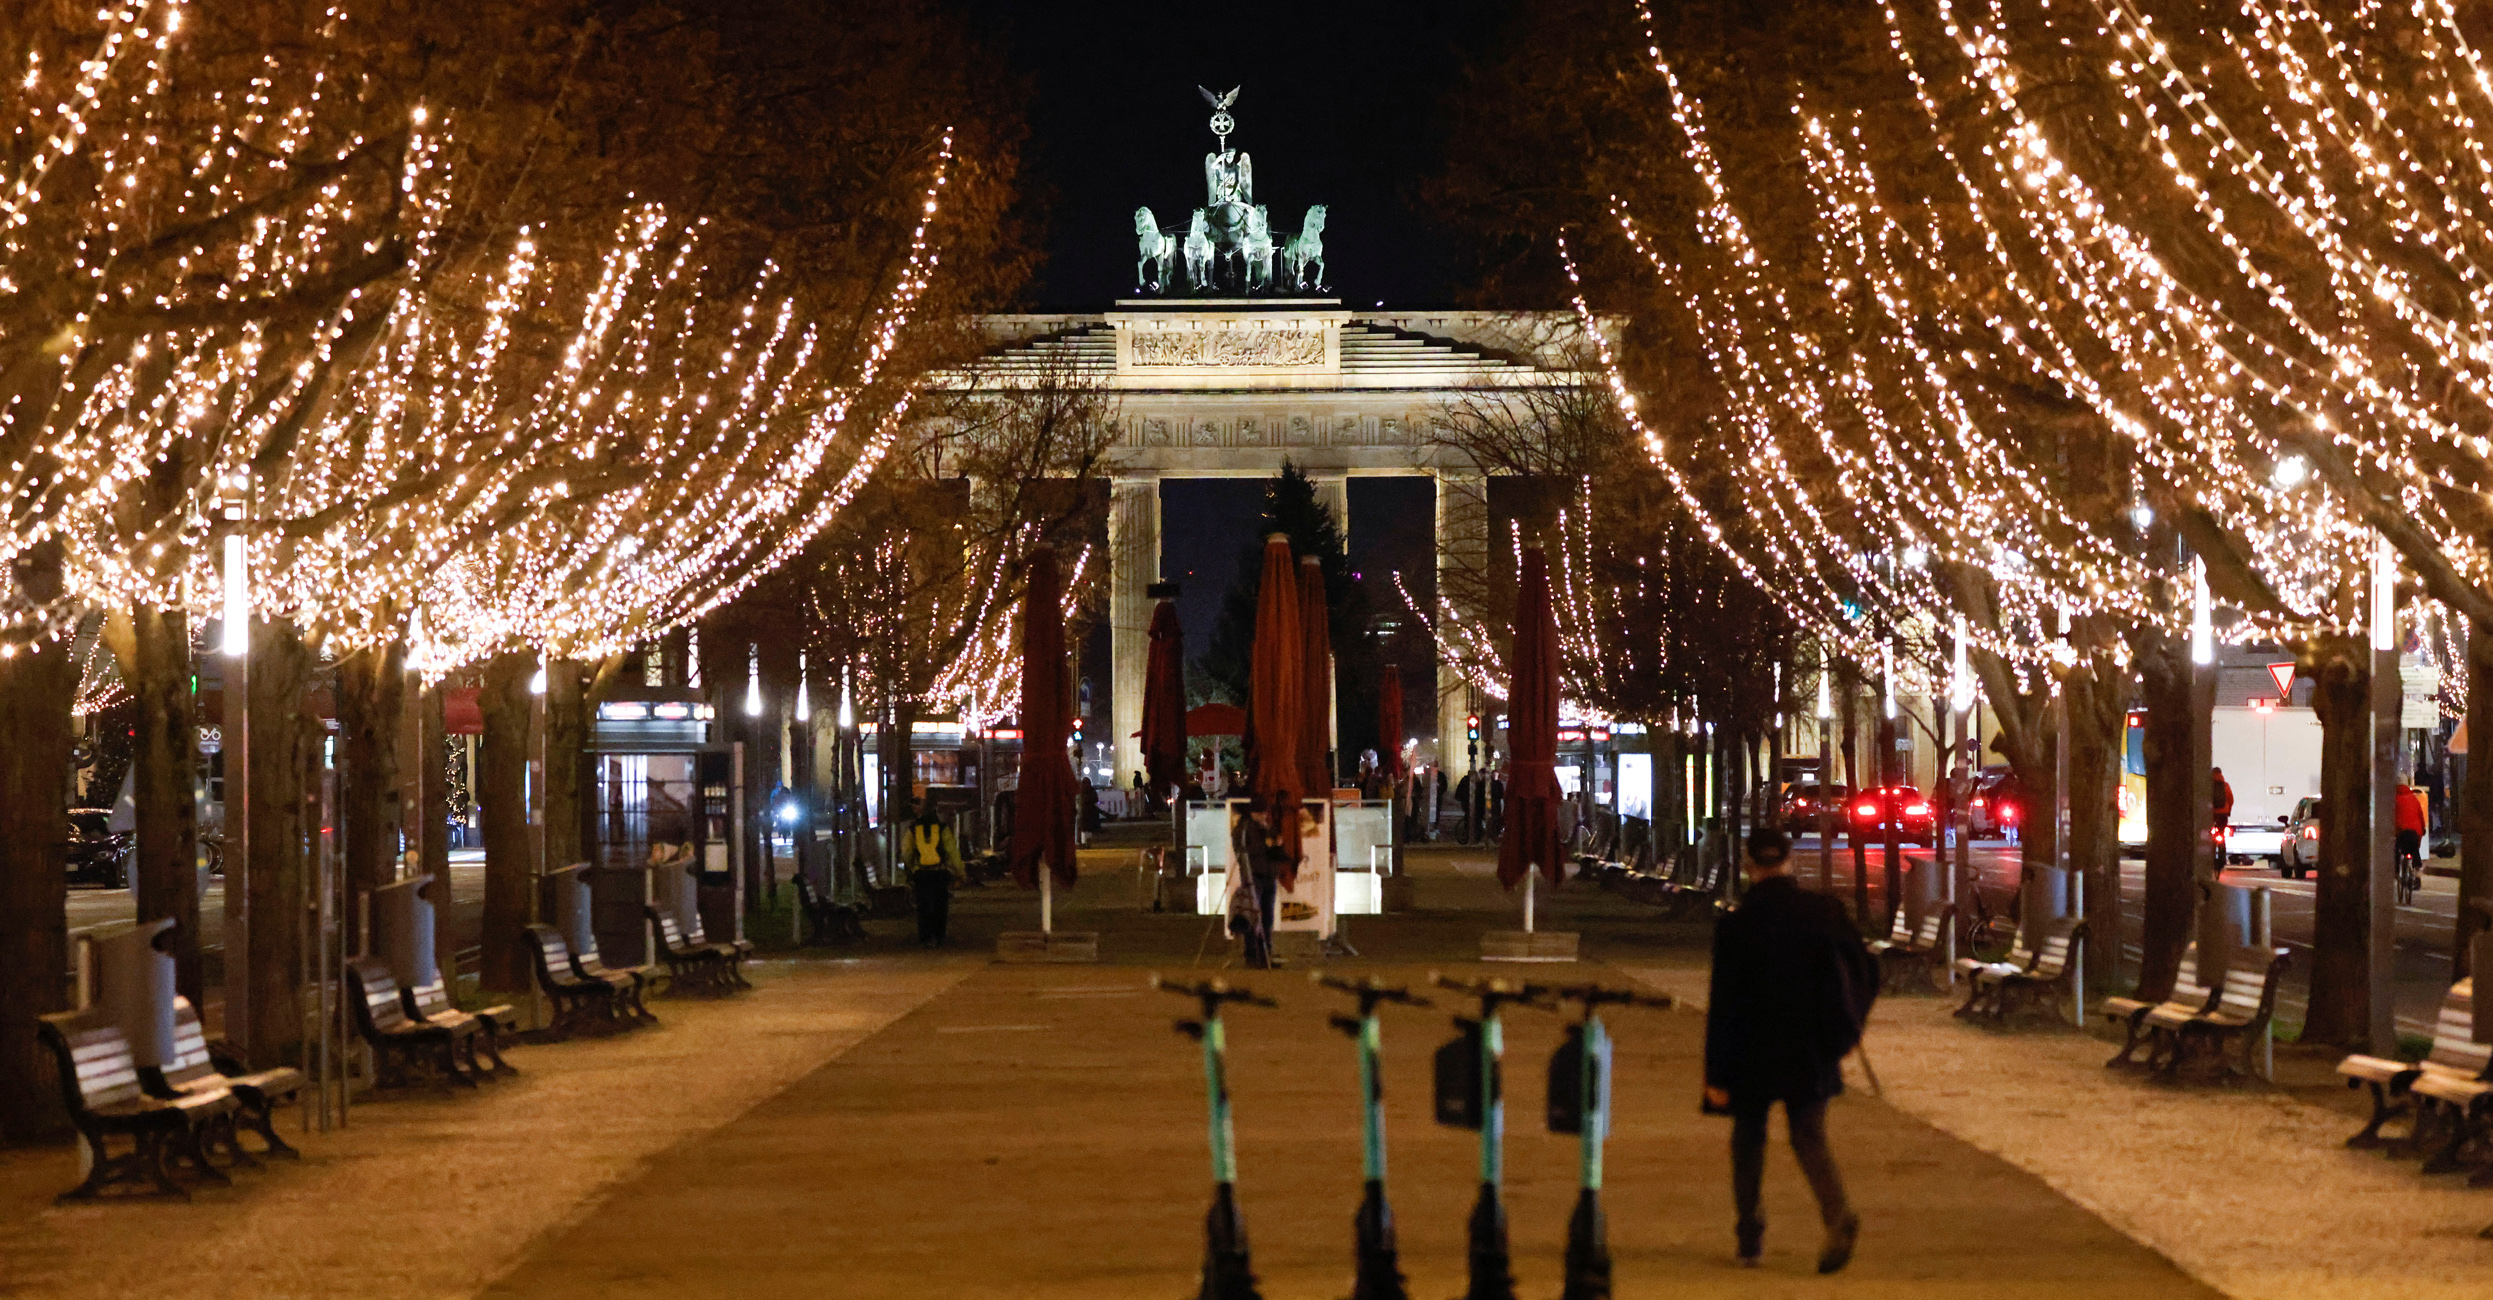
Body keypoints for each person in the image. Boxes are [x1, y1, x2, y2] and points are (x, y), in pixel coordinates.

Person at [1704, 826, 1872, 1273]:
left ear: (1749, 863)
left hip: (1751, 1049)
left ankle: (1749, 1238)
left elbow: (1722, 1006)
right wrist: (1847, 1030)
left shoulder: (1736, 926)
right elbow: (1865, 967)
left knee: (1748, 1141)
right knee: (1810, 1137)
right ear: (1789, 860)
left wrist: (1716, 1076)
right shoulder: (1823, 913)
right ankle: (1837, 1215)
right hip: (1810, 1046)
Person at [1227, 797, 1288, 968]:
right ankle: (1252, 954)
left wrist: (1276, 845)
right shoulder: (1244, 828)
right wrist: (1267, 844)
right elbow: (1244, 850)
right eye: (1261, 813)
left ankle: (1266, 953)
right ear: (1253, 813)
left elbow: (1276, 848)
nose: (1264, 816)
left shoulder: (1267, 827)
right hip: (1253, 875)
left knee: (1267, 916)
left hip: (1268, 875)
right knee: (1253, 915)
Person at [904, 806, 964, 947]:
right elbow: (952, 852)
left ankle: (925, 937)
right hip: (939, 873)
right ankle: (939, 936)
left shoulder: (913, 829)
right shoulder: (942, 829)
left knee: (923, 906)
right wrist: (959, 872)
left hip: (921, 873)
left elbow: (906, 852)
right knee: (940, 905)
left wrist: (912, 867)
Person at [2396, 782, 2427, 881]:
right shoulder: (2414, 799)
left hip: (2402, 831)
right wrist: (2423, 829)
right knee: (2415, 850)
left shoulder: (2396, 800)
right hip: (2416, 831)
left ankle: (2396, 871)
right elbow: (2421, 816)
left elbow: (2394, 819)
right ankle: (2417, 873)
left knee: (2396, 849)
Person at [2210, 767, 2235, 835]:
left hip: (2212, 813)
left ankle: (2212, 842)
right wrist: (2228, 810)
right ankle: (2222, 843)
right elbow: (2231, 799)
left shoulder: (2208, 785)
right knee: (2221, 832)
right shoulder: (2225, 785)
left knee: (2210, 831)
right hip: (2223, 813)